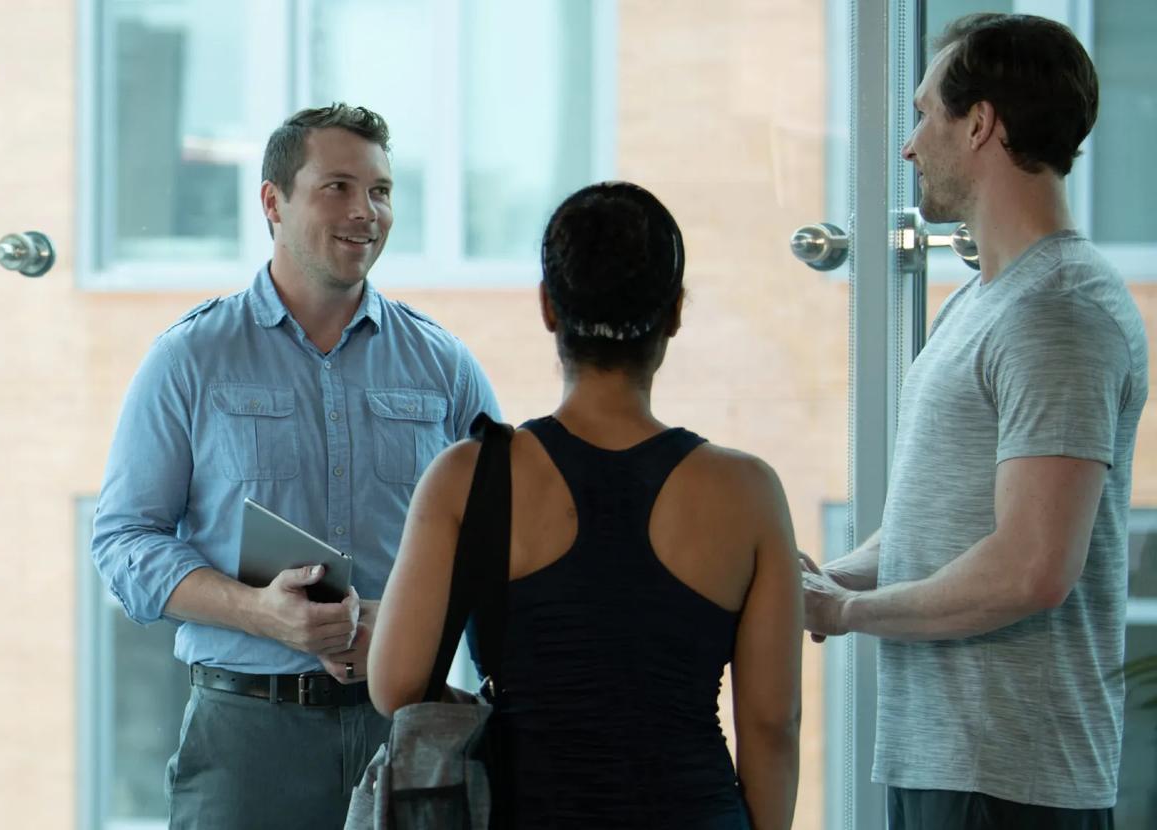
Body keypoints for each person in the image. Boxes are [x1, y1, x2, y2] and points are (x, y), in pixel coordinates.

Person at [91, 103, 499, 829]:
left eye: (380, 191)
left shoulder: (443, 365)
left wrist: (413, 623)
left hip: (406, 729)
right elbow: (124, 541)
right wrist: (259, 613)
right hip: (247, 739)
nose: (365, 212)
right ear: (273, 202)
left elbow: (503, 544)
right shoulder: (189, 360)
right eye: (337, 187)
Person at [801, 14, 1148, 830]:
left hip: (1010, 778)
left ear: (981, 122)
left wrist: (846, 614)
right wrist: (830, 578)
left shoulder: (1059, 313)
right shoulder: (987, 304)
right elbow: (942, 522)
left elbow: (1032, 567)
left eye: (926, 114)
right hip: (951, 760)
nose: (909, 144)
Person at [367, 181, 803, 829]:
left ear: (548, 307)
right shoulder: (749, 492)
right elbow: (771, 726)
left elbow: (396, 685)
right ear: (674, 315)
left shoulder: (467, 477)